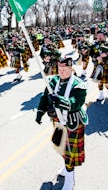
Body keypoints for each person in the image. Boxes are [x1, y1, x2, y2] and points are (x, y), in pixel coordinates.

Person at [36, 57, 88, 190]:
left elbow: (75, 103)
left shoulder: (79, 84)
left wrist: (59, 100)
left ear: (71, 69)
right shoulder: (53, 81)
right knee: (60, 148)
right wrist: (40, 112)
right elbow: (45, 96)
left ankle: (70, 180)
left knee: (69, 153)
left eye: (64, 69)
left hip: (72, 123)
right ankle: (67, 167)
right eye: (59, 69)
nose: (61, 72)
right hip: (58, 122)